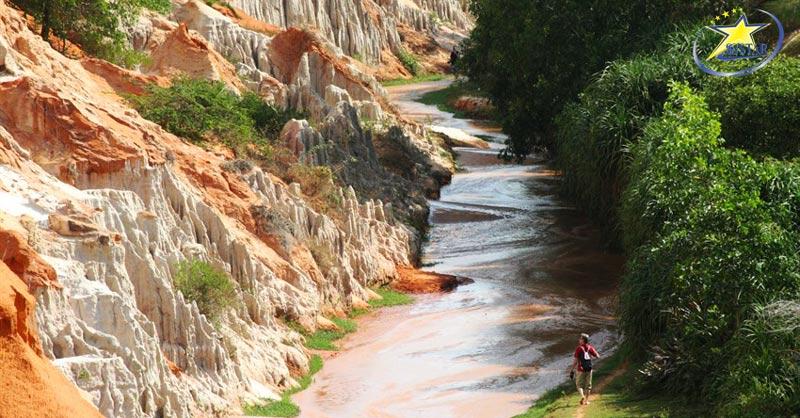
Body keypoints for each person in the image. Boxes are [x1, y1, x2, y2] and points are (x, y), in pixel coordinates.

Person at [569, 333, 600, 405]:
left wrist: (571, 369)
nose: (579, 339)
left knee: (579, 385)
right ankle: (586, 401)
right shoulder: (590, 348)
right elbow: (598, 356)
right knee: (588, 386)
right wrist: (591, 357)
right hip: (589, 369)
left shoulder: (578, 349)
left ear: (583, 340)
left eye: (580, 338)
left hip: (581, 369)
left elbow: (575, 361)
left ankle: (582, 396)